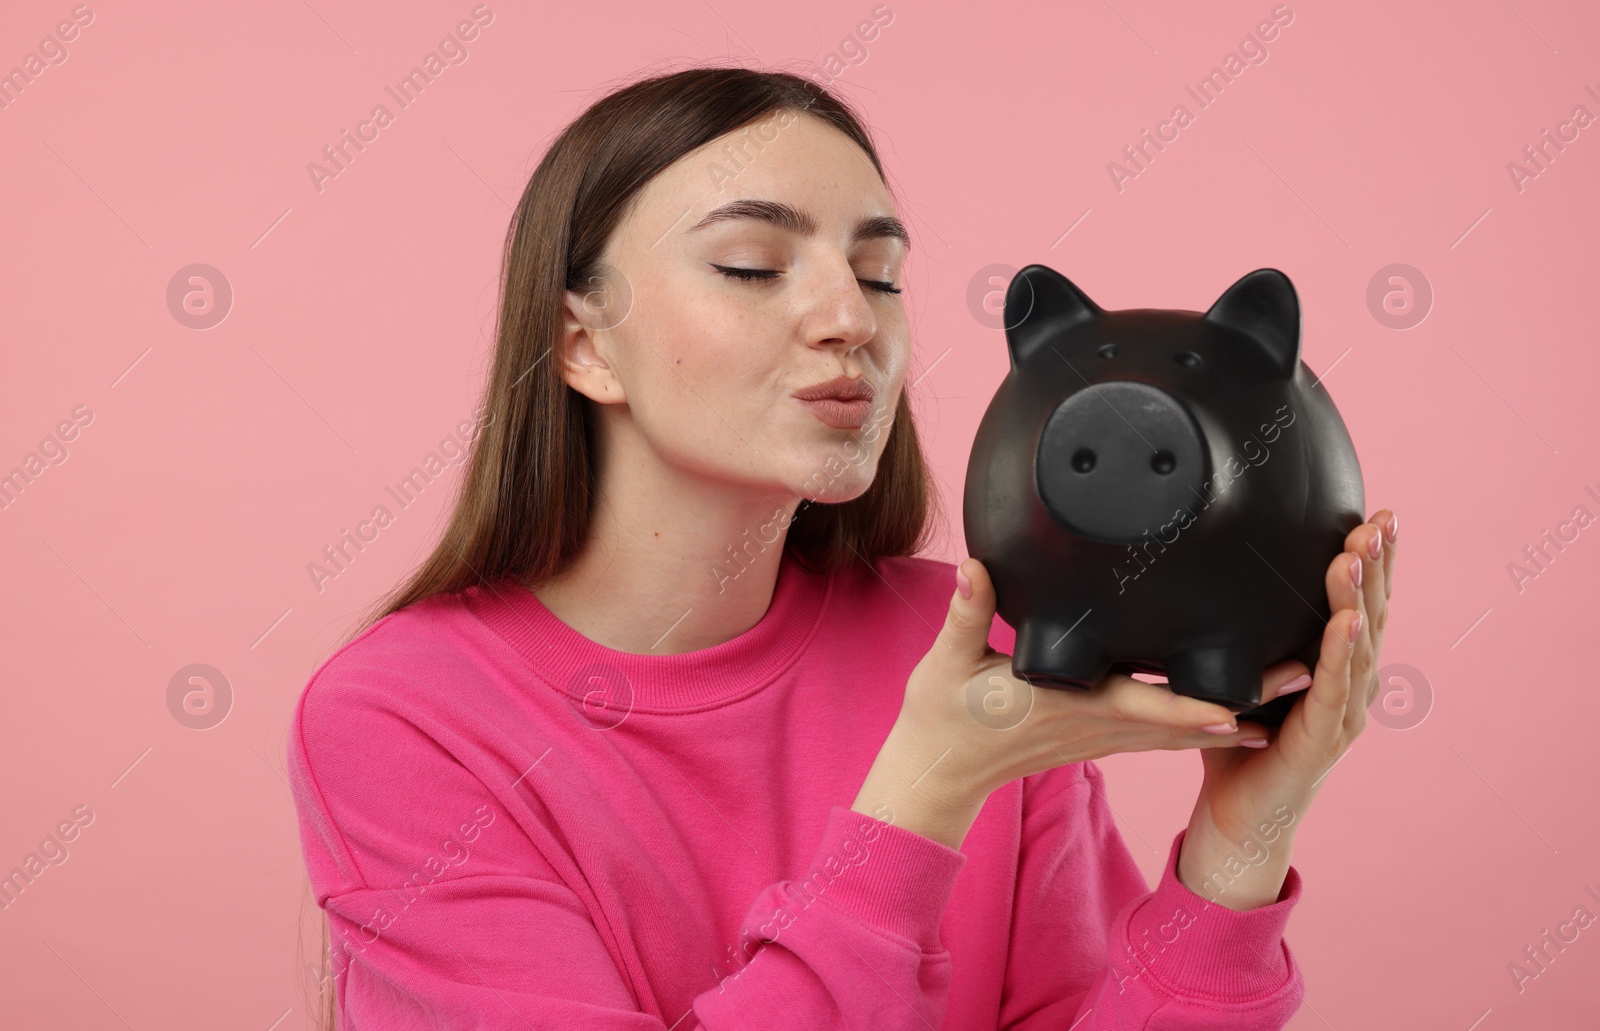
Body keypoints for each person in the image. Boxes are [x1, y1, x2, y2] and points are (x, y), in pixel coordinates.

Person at [287, 66, 1397, 1030]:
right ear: (585, 347)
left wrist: (1241, 842)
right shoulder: (401, 719)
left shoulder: (964, 640)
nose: (851, 320)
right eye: (753, 265)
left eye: (878, 275)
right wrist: (923, 794)